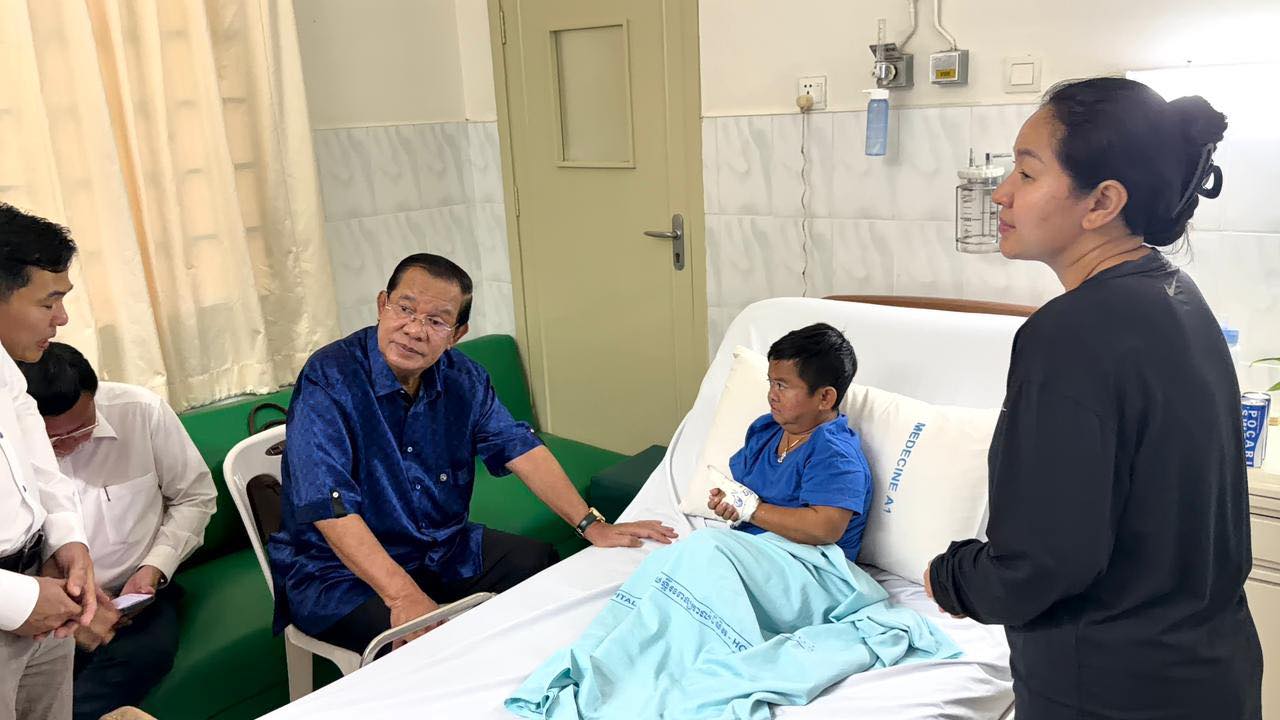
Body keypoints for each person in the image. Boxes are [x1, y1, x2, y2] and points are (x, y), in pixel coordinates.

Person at [925, 77, 1262, 719]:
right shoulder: (1177, 297)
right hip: (1210, 675)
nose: (1001, 193)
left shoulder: (1070, 334)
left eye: (1027, 173)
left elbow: (1040, 563)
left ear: (1102, 201)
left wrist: (952, 577)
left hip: (1110, 690)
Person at [268, 253, 677, 654]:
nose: (414, 330)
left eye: (436, 321)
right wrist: (403, 596)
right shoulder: (330, 377)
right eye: (405, 309)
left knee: (538, 565)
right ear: (382, 305)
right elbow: (330, 505)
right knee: (426, 649)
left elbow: (519, 447)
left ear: (457, 333)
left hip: (440, 549)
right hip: (336, 574)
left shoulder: (464, 378)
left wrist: (591, 524)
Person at [20, 342, 217, 720]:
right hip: (47, 603)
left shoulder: (141, 412)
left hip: (134, 594)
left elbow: (195, 497)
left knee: (145, 654)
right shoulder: (14, 447)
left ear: (94, 397)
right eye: (54, 439)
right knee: (33, 672)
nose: (70, 445)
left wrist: (153, 569)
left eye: (82, 428)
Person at [0, 204, 97, 720]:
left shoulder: (7, 366)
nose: (62, 318)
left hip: (42, 584)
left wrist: (66, 538)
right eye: (49, 301)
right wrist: (16, 601)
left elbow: (36, 464)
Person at [706, 323, 873, 562]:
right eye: (771, 383)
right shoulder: (765, 431)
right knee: (690, 555)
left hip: (812, 566)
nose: (772, 395)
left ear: (825, 397)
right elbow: (748, 495)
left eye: (782, 385)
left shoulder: (835, 454)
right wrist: (732, 500)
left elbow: (825, 528)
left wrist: (751, 509)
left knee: (705, 550)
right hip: (757, 551)